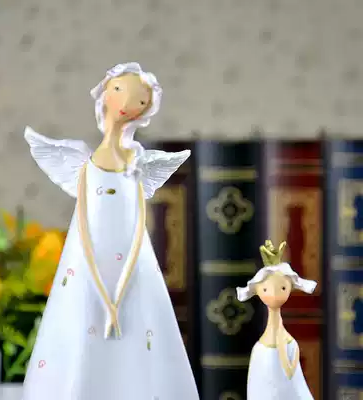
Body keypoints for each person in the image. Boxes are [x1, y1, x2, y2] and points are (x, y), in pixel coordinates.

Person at [21, 62, 200, 400]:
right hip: (88, 261)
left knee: (139, 327)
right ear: (105, 94)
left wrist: (127, 274)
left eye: (140, 100)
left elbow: (138, 222)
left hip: (132, 261)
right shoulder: (87, 166)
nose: (127, 103)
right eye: (119, 91)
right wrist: (102, 288)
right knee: (83, 326)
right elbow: (85, 222)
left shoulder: (136, 164)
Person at [236, 240, 316, 400]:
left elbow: (290, 373)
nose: (273, 294)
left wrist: (290, 364)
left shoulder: (290, 344)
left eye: (283, 288)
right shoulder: (259, 351)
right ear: (257, 290)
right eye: (266, 289)